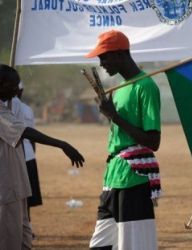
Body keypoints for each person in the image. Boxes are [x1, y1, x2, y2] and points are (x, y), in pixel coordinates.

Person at [85, 30, 161, 250]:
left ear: (120, 54)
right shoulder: (118, 89)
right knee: (100, 245)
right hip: (113, 177)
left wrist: (114, 116)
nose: (102, 63)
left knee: (133, 245)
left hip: (133, 177)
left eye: (104, 57)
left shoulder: (146, 87)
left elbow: (153, 141)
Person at [0, 64, 84, 249]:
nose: (16, 90)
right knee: (9, 242)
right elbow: (25, 132)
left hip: (17, 186)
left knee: (24, 241)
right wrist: (62, 144)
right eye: (11, 85)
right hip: (6, 189)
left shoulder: (9, 106)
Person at [11, 82, 43, 229]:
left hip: (25, 156)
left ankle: (24, 227)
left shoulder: (20, 108)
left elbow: (30, 134)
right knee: (23, 197)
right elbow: (30, 134)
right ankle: (25, 226)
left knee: (24, 196)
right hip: (24, 156)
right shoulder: (21, 108)